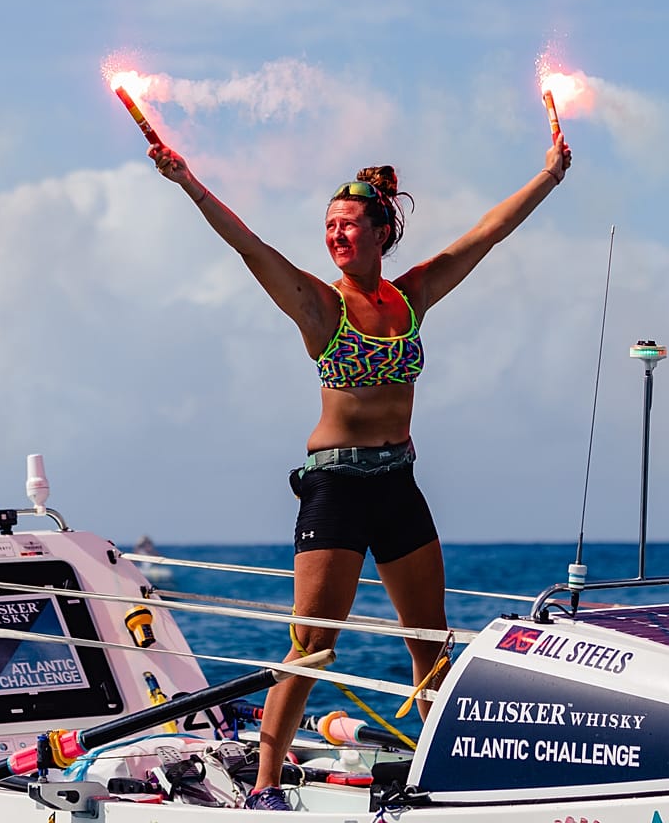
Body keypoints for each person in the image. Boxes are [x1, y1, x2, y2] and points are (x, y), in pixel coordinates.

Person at [150, 134, 571, 811]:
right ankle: (265, 787)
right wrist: (188, 181)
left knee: (429, 639)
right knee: (311, 645)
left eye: (348, 224)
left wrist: (549, 176)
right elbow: (250, 246)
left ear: (381, 231)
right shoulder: (322, 306)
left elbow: (487, 234)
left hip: (397, 483)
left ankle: (442, 776)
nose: (335, 234)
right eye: (328, 227)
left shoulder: (412, 297)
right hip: (337, 487)